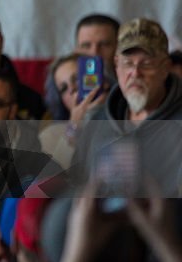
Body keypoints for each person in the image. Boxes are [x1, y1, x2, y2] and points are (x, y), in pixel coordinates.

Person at [72, 18, 182, 190]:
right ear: (117, 65)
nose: (135, 73)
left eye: (146, 64)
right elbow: (77, 184)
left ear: (165, 68)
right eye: (127, 63)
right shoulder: (96, 121)